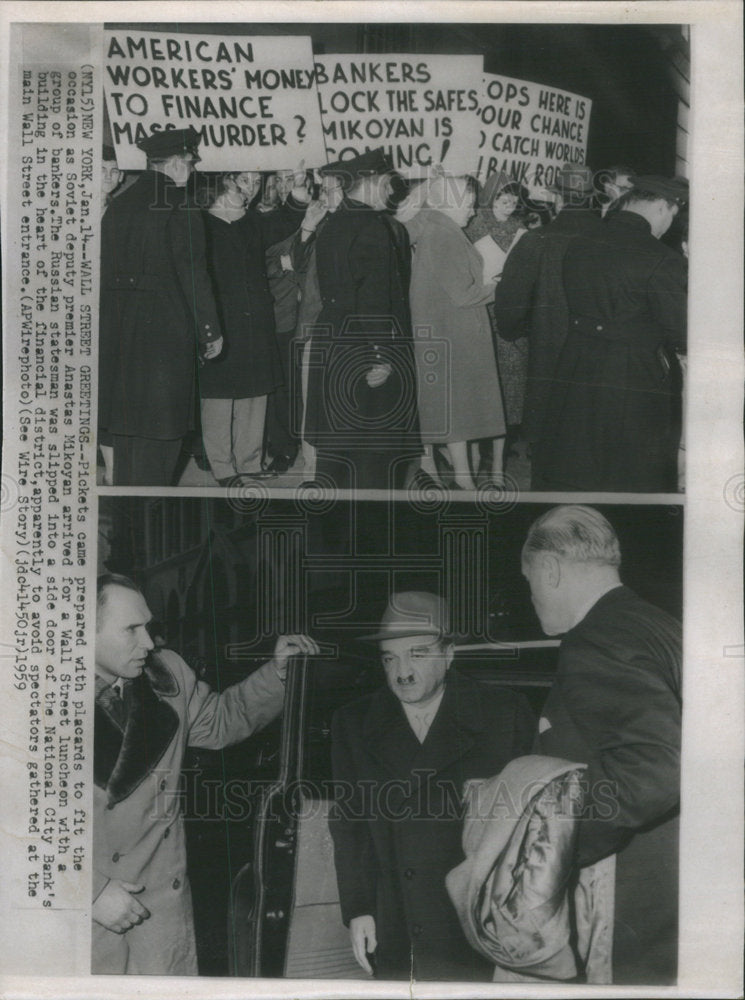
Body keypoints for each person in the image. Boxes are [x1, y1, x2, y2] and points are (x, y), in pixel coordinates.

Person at [92, 573, 318, 975]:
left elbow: (221, 721)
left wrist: (278, 672)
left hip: (156, 903)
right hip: (81, 914)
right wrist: (90, 892)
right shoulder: (28, 699)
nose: (148, 642)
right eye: (132, 629)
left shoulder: (168, 676)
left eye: (149, 626)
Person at [329, 591, 534, 981]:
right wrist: (359, 909)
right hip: (397, 923)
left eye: (417, 654)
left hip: (477, 924)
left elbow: (529, 830)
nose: (401, 672)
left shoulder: (504, 713)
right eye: (389, 658)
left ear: (449, 654)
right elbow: (349, 825)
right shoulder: (353, 723)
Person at [521, 505, 681, 984]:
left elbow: (652, 771)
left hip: (630, 888)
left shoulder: (596, 638)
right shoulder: (655, 624)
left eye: (529, 583)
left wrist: (558, 849)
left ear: (549, 570)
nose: (531, 600)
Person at [537, 175, 688, 492]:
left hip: (576, 363)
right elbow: (681, 330)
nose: (667, 228)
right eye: (672, 217)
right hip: (633, 374)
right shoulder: (663, 259)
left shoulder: (580, 243)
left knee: (578, 461)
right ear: (662, 207)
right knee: (632, 471)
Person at [99, 127, 223, 486]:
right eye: (190, 162)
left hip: (119, 341)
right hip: (165, 345)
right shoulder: (181, 204)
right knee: (159, 449)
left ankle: (125, 537)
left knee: (125, 448)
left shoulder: (119, 205)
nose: (192, 170)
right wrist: (210, 331)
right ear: (178, 164)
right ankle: (151, 536)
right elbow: (194, 275)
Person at [305, 148, 420, 490]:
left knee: (337, 451)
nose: (390, 191)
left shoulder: (333, 224)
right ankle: (371, 533)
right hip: (367, 351)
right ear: (372, 183)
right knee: (374, 457)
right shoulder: (373, 228)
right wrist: (382, 356)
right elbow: (373, 302)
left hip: (337, 346)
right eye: (387, 183)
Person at [492, 163, 603, 489]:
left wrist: (516, 332)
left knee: (548, 464)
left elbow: (509, 305)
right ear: (592, 199)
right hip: (603, 367)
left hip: (549, 362)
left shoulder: (538, 240)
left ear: (556, 197)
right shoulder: (612, 240)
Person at [407, 175, 505, 490]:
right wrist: (499, 288)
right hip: (453, 336)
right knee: (454, 412)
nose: (473, 211)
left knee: (452, 414)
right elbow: (463, 294)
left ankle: (455, 479)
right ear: (450, 202)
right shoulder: (443, 235)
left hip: (446, 332)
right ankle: (459, 482)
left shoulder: (437, 230)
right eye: (469, 202)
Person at [196, 170, 282, 486]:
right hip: (221, 322)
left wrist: (299, 194)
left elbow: (283, 222)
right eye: (243, 185)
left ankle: (250, 461)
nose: (250, 192)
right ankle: (222, 466)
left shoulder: (250, 223)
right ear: (226, 186)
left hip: (255, 321)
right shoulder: (200, 225)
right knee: (218, 396)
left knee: (255, 393)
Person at [466, 176, 529, 479]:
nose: (509, 204)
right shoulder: (470, 226)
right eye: (502, 198)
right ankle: (476, 456)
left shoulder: (524, 232)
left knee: (507, 395)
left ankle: (498, 466)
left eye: (514, 199)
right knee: (478, 390)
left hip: (511, 323)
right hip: (478, 315)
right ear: (489, 197)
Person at [98, 144, 126, 487]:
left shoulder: (124, 213)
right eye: (102, 169)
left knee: (108, 394)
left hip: (111, 316)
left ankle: (113, 471)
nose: (109, 177)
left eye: (114, 171)